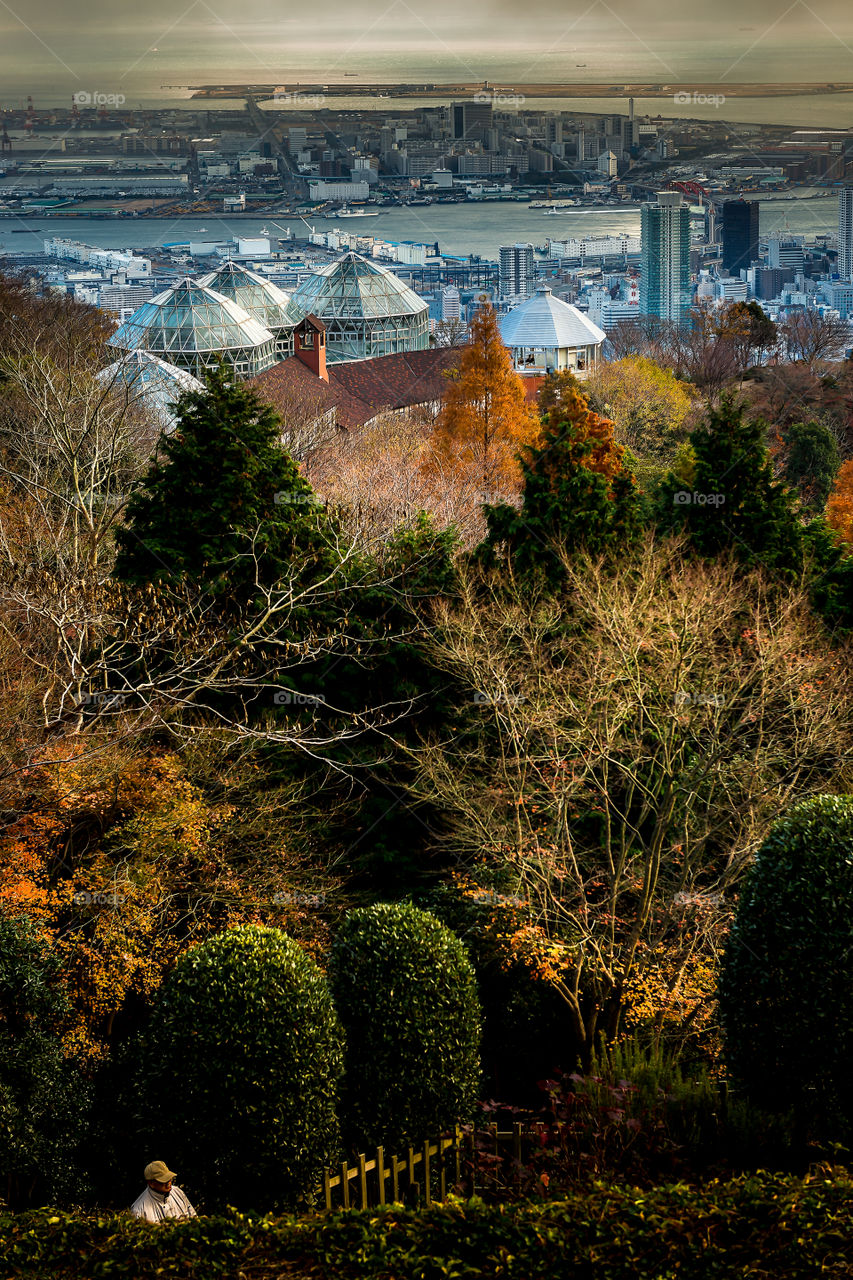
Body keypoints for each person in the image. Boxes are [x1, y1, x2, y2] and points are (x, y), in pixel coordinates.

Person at [131, 1160, 197, 1222]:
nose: (169, 1183)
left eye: (169, 1178)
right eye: (164, 1181)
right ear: (151, 1183)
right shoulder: (138, 1210)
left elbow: (194, 1218)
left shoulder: (178, 1192)